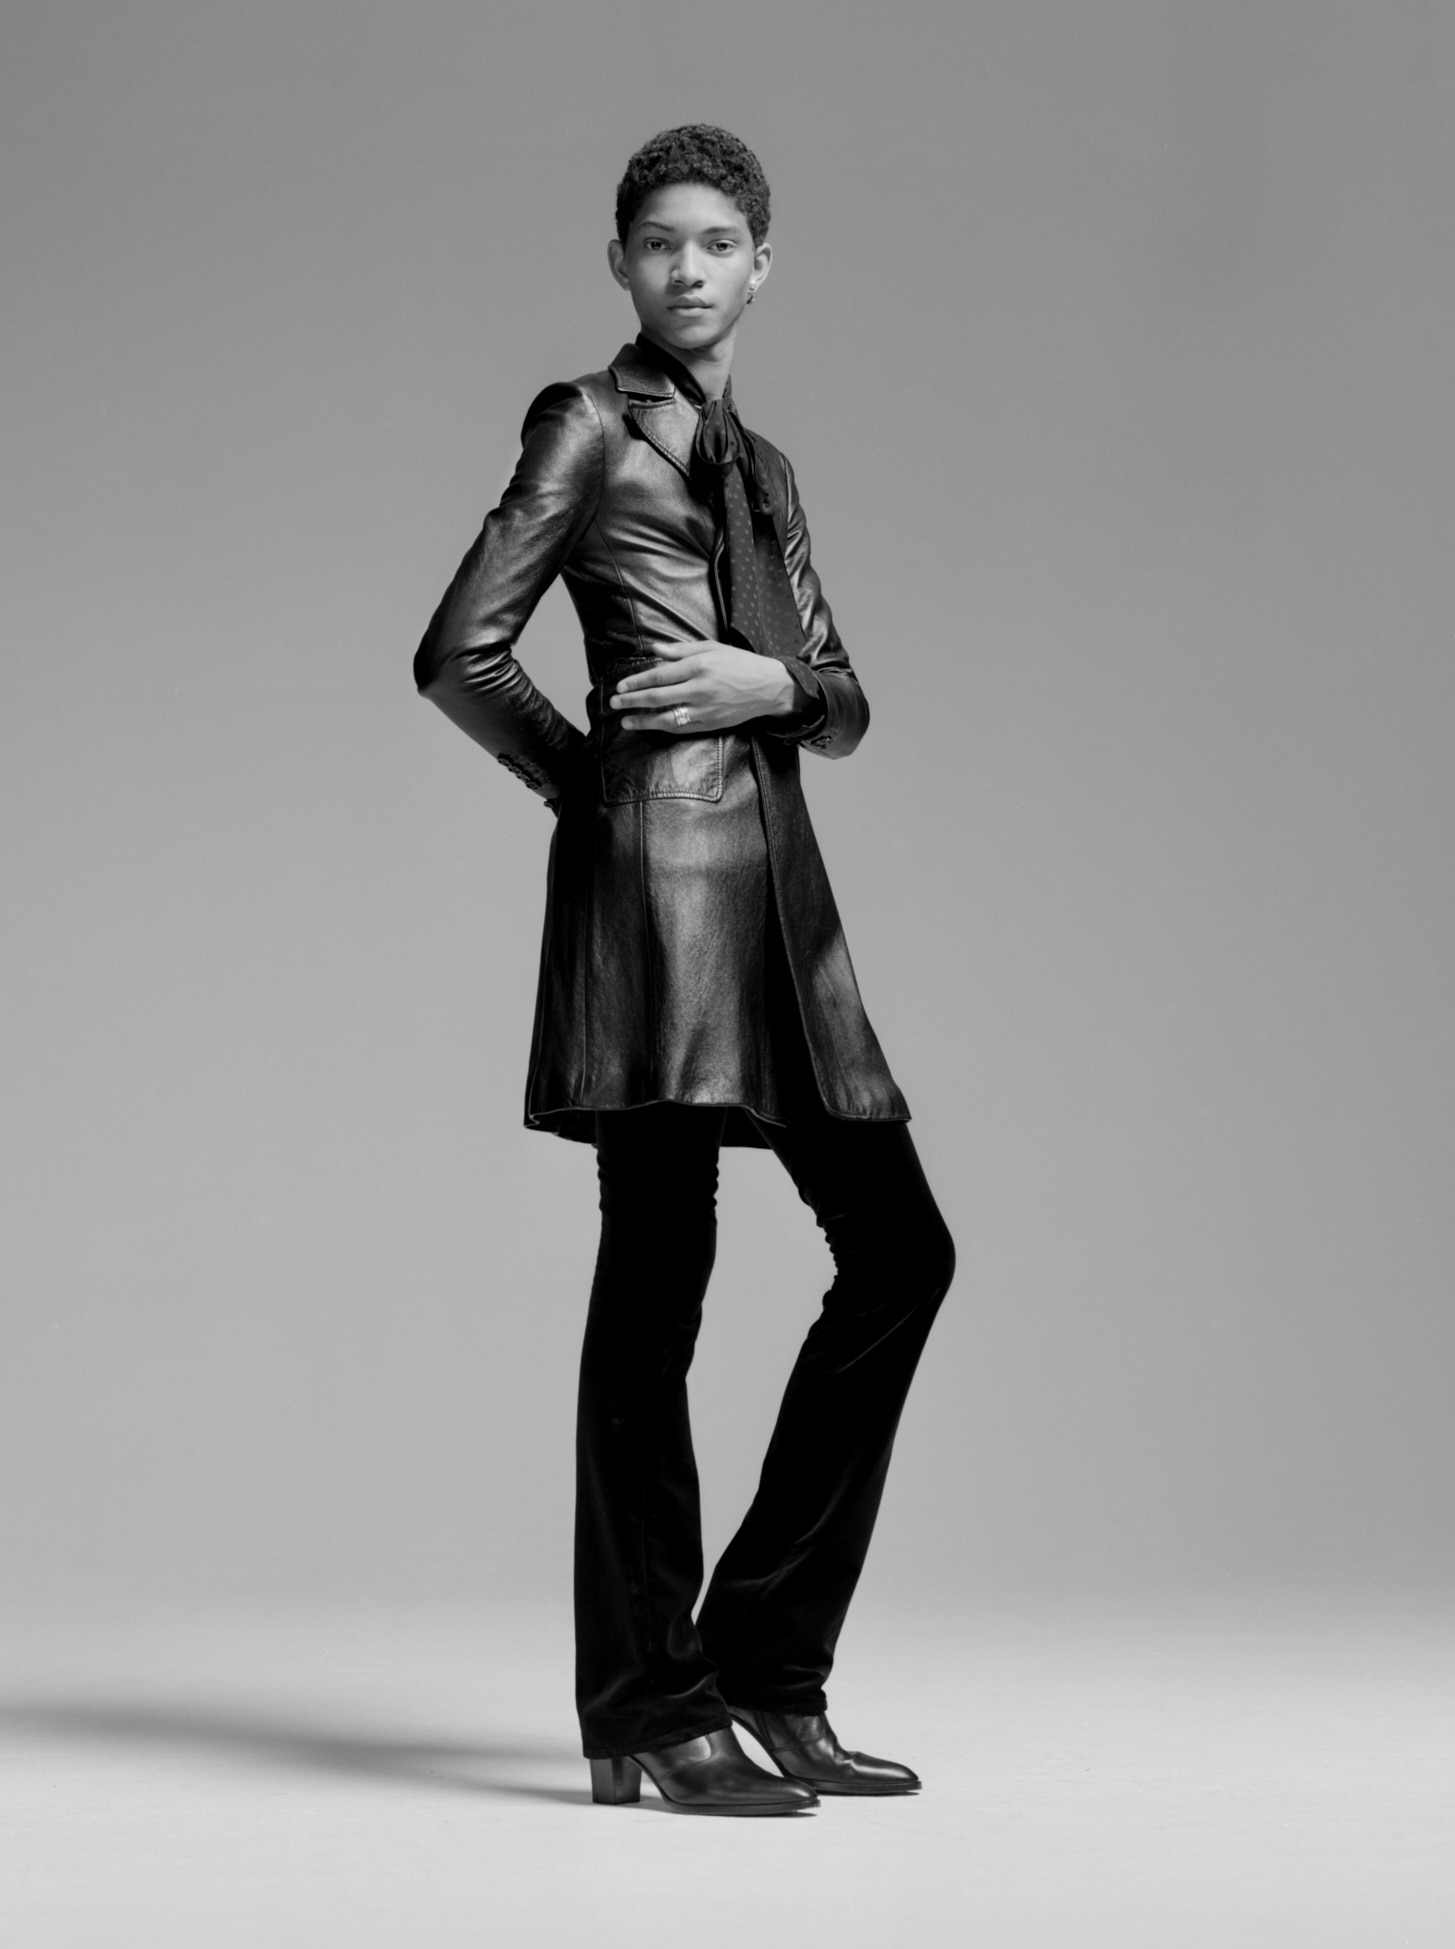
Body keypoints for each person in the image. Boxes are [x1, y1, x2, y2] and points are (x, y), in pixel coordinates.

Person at [414, 126, 954, 1816]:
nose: (690, 268)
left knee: (903, 1253)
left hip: (785, 914)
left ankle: (766, 1665)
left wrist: (759, 686)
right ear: (622, 266)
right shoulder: (584, 421)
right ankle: (648, 1705)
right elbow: (459, 649)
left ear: (762, 266)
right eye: (661, 242)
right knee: (658, 1283)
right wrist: (590, 783)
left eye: (719, 242)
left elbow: (841, 696)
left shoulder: (764, 466)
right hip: (653, 902)